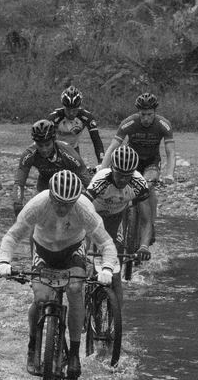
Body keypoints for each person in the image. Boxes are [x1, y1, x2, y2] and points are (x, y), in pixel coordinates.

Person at [0, 170, 118, 380]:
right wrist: (4, 262)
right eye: (58, 202)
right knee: (41, 298)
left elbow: (106, 243)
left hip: (73, 252)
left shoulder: (84, 209)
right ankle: (33, 344)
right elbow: (12, 236)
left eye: (68, 204)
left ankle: (73, 353)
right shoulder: (37, 205)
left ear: (75, 200)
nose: (63, 208)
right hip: (43, 252)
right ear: (51, 195)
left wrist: (107, 269)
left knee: (74, 289)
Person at [100, 92, 176, 243]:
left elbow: (170, 152)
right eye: (143, 114)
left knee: (148, 188)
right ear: (138, 112)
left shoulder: (163, 124)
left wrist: (169, 174)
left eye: (149, 114)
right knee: (121, 187)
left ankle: (150, 224)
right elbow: (113, 147)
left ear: (155, 112)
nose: (146, 118)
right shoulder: (129, 123)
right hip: (130, 162)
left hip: (151, 163)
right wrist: (103, 169)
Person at [85, 144, 152, 305]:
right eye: (119, 174)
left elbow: (146, 220)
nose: (123, 180)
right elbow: (81, 211)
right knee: (88, 265)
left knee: (115, 275)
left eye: (127, 175)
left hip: (116, 218)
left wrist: (143, 246)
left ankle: (116, 323)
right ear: (112, 168)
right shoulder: (101, 180)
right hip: (93, 217)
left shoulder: (139, 183)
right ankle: (83, 302)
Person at [13, 119, 92, 216]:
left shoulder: (67, 152)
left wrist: (90, 202)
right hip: (44, 185)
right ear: (35, 143)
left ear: (54, 140)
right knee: (40, 216)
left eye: (47, 144)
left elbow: (86, 179)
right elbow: (19, 183)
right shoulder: (29, 154)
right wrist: (18, 204)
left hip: (66, 184)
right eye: (40, 145)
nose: (44, 149)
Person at [46, 86, 105, 165]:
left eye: (74, 110)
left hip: (74, 150)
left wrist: (101, 162)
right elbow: (45, 140)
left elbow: (96, 140)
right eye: (68, 109)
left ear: (79, 107)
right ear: (63, 106)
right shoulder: (54, 118)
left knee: (80, 175)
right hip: (56, 150)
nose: (71, 113)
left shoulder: (86, 117)